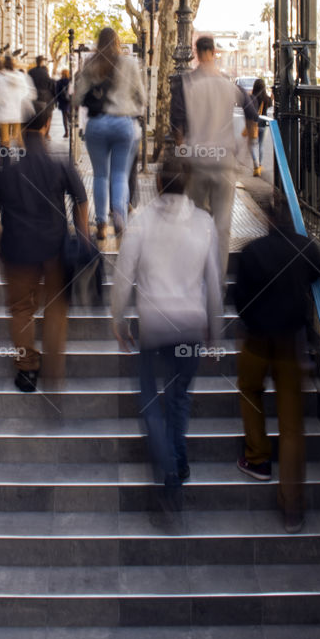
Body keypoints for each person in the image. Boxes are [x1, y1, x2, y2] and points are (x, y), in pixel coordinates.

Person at [111, 156, 222, 512]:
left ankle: (170, 471)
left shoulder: (140, 221)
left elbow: (124, 275)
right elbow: (215, 286)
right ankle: (178, 458)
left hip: (154, 327)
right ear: (187, 184)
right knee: (179, 398)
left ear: (157, 183)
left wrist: (118, 318)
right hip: (190, 327)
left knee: (149, 402)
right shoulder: (205, 223)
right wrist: (215, 331)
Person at [234, 191, 320, 532]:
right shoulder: (304, 249)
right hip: (291, 342)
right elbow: (319, 279)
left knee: (249, 390)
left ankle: (258, 458)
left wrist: (252, 323)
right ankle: (292, 506)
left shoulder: (252, 252)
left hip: (257, 339)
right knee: (292, 425)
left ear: (267, 220)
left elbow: (240, 301)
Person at [0, 105, 90, 392]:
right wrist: (82, 234)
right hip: (55, 247)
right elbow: (81, 197)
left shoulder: (7, 162)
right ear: (47, 125)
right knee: (56, 308)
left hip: (16, 249)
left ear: (22, 126)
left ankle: (27, 370)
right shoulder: (58, 160)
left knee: (22, 309)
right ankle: (55, 375)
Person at [170, 34, 258, 277]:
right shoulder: (230, 85)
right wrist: (246, 150)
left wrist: (184, 155)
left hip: (197, 161)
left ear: (197, 53)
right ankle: (217, 284)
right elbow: (253, 114)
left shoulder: (186, 85)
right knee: (222, 227)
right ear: (214, 53)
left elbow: (177, 127)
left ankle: (195, 275)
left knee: (195, 223)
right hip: (225, 162)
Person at [72, 28, 146, 242]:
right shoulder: (130, 64)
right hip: (124, 124)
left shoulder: (91, 63)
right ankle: (120, 217)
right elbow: (142, 96)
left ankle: (102, 225)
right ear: (117, 41)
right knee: (120, 174)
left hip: (97, 125)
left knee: (100, 176)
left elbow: (77, 99)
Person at [0, 55, 35, 160]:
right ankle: (23, 162)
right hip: (17, 114)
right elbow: (27, 93)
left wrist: (3, 101)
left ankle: (5, 165)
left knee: (5, 141)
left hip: (3, 114)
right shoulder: (21, 77)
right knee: (19, 140)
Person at [248, 77, 272, 177]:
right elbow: (270, 105)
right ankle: (260, 165)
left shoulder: (251, 97)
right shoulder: (267, 98)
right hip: (263, 124)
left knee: (252, 145)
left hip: (254, 124)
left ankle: (255, 164)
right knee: (261, 145)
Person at [28, 55, 56, 126]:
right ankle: (45, 130)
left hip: (32, 97)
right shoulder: (44, 72)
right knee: (46, 115)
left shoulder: (31, 72)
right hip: (44, 97)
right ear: (41, 62)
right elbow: (49, 84)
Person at [54, 68, 71, 137]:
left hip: (62, 102)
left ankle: (66, 132)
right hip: (70, 102)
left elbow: (57, 93)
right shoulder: (71, 81)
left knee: (64, 117)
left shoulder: (59, 82)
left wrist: (57, 101)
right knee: (70, 116)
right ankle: (72, 130)